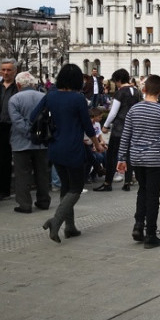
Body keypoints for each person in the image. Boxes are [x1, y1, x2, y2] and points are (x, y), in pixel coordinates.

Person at [34, 64, 105, 243]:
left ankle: (70, 227)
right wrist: (97, 145)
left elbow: (33, 116)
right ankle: (56, 221)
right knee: (75, 188)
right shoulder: (77, 98)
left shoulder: (50, 95)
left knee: (66, 187)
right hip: (73, 147)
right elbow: (88, 126)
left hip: (55, 146)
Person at [117, 74, 160, 248]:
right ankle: (150, 234)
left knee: (142, 190)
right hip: (154, 159)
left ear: (144, 89)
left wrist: (121, 158)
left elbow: (125, 135)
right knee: (153, 196)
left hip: (136, 158)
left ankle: (138, 225)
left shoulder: (134, 110)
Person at [7, 72, 51, 214]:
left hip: (21, 143)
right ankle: (44, 201)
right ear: (33, 84)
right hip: (42, 142)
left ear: (18, 85)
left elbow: (17, 121)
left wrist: (29, 133)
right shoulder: (44, 97)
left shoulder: (14, 99)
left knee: (22, 175)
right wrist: (38, 135)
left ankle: (25, 204)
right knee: (42, 173)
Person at [95, 69, 142, 192]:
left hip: (119, 129)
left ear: (119, 80)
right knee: (128, 155)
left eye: (116, 82)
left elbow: (113, 112)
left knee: (112, 155)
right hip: (133, 128)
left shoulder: (120, 92)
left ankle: (107, 183)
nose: (116, 84)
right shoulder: (137, 92)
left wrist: (105, 125)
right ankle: (127, 182)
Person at [0, 58, 19, 201]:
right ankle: (4, 190)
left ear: (14, 71)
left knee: (20, 159)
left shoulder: (18, 87)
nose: (5, 72)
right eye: (3, 70)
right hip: (0, 127)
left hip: (15, 127)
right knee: (3, 160)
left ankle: (21, 189)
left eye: (8, 70)